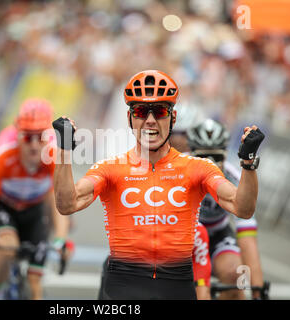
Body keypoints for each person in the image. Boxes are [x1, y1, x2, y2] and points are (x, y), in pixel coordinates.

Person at [52, 69, 265, 300]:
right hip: (123, 285)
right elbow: (67, 204)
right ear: (129, 118)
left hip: (176, 287)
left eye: (160, 111)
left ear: (172, 118)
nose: (150, 120)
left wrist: (248, 164)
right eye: (141, 111)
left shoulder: (197, 168)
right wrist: (63, 152)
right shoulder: (110, 168)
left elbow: (242, 208)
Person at [0, 98, 71, 300]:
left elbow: (58, 203)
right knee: (7, 247)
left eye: (41, 137)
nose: (35, 145)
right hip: (6, 209)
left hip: (34, 211)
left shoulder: (53, 157)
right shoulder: (2, 157)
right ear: (18, 136)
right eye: (28, 138)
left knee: (35, 285)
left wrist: (61, 239)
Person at [187, 118, 264, 299]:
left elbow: (247, 239)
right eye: (203, 157)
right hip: (183, 236)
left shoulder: (234, 177)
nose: (210, 164)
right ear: (190, 153)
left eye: (216, 157)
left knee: (237, 277)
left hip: (217, 235)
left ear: (225, 153)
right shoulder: (176, 167)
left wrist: (257, 290)